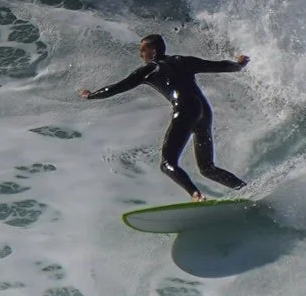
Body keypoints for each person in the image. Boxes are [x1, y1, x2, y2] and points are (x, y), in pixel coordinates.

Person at [78, 34, 250, 199]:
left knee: (167, 163)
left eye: (142, 50)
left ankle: (195, 195)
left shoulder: (149, 70)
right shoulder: (181, 60)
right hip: (204, 111)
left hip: (185, 110)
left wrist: (91, 95)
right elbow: (217, 65)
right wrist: (238, 65)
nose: (140, 55)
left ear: (152, 51)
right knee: (207, 168)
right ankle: (246, 189)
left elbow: (117, 87)